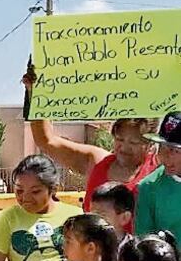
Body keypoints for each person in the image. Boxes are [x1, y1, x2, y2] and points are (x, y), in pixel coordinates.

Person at [24, 64, 159, 214]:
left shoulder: (160, 169)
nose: (124, 148)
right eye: (120, 139)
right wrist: (35, 94)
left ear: (150, 145)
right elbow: (46, 141)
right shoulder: (97, 161)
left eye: (134, 143)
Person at [135, 112, 181, 239]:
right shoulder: (149, 187)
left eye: (174, 150)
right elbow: (144, 241)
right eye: (162, 147)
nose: (165, 155)